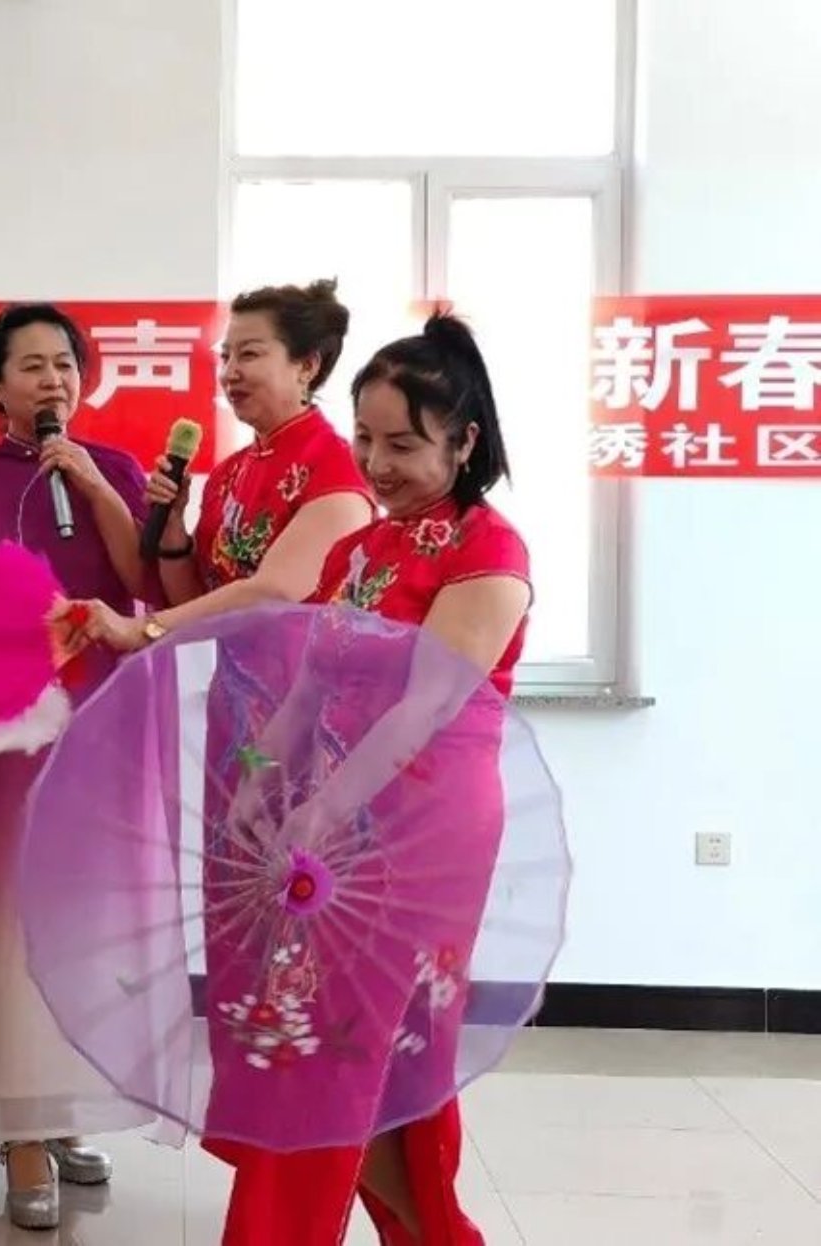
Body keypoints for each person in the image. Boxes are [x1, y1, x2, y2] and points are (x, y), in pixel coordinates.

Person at [217, 311, 530, 1245]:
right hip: (332, 830)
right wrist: (256, 779)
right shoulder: (359, 551)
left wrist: (323, 807)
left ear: (463, 442)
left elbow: (426, 705)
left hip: (424, 832)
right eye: (364, 439)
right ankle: (429, 1231)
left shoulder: (489, 551)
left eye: (402, 444)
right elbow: (308, 689)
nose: (376, 464)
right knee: (345, 1044)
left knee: (343, 1044)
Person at [0, 303, 159, 1231]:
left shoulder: (114, 468)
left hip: (103, 723)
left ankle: (64, 1103)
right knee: (10, 924)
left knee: (84, 922)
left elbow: (145, 581)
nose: (53, 381)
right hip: (9, 728)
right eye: (32, 366)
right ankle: (19, 1133)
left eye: (65, 365)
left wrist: (92, 484)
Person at [82, 280, 372, 651]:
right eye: (226, 356)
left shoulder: (336, 467)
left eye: (249, 354)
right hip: (231, 684)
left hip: (309, 683)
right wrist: (173, 532)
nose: (230, 372)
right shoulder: (228, 474)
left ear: (307, 366)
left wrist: (142, 629)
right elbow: (195, 602)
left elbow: (274, 591)